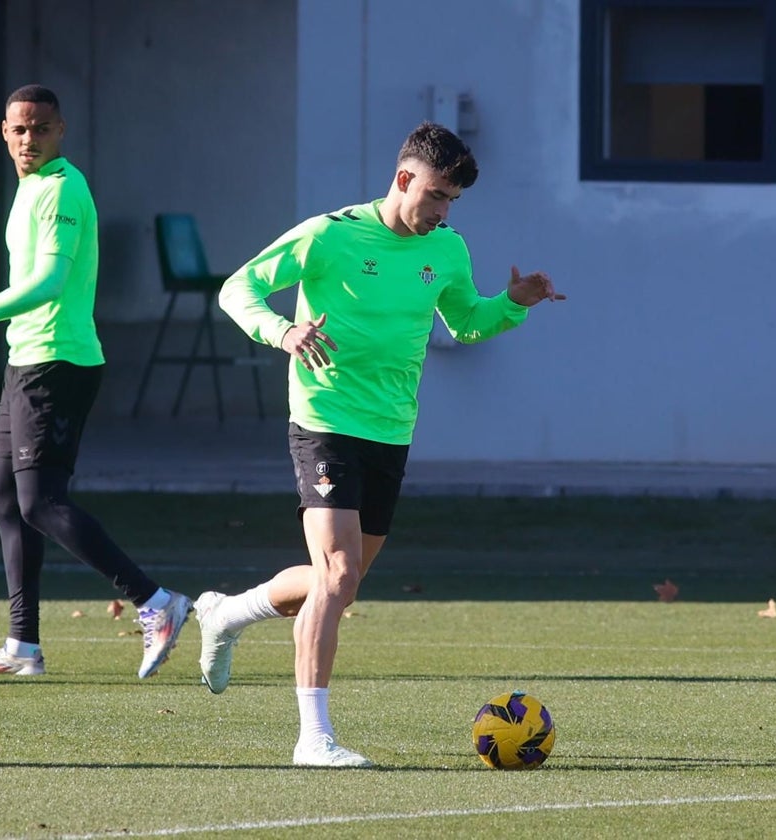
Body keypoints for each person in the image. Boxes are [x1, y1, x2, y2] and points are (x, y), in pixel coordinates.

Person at [199, 121, 564, 767]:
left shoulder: (447, 250)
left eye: (452, 200)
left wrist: (512, 302)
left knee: (339, 582)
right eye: (436, 195)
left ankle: (228, 613)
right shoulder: (330, 234)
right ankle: (313, 738)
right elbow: (238, 288)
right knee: (337, 577)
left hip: (392, 429)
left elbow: (467, 325)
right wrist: (282, 332)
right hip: (324, 420)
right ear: (404, 180)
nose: (443, 211)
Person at [0, 84, 191, 679]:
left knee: (41, 501)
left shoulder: (65, 188)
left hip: (59, 365)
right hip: (26, 361)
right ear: (4, 132)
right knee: (6, 500)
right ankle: (23, 647)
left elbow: (46, 285)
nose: (29, 139)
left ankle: (156, 601)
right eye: (19, 129)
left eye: (40, 128)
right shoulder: (29, 190)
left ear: (60, 130)